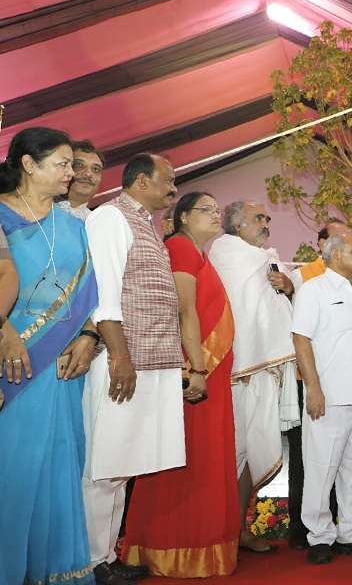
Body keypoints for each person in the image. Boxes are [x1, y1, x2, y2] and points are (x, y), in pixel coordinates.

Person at [121, 192, 240, 577]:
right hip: (195, 373)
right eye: (207, 209)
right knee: (186, 464)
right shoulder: (181, 249)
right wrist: (196, 368)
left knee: (205, 461)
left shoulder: (200, 253)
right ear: (184, 217)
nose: (215, 215)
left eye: (216, 209)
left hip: (210, 373)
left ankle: (202, 545)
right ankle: (172, 548)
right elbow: (183, 311)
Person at [0, 127, 100, 585]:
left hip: (63, 365)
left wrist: (89, 336)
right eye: (63, 163)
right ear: (28, 164)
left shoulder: (76, 225)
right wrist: (3, 331)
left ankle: (55, 571)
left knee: (61, 465)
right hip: (13, 358)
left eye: (72, 164)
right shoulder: (1, 215)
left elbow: (88, 295)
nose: (71, 173)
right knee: (14, 469)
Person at [82, 153, 185, 585]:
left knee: (123, 464)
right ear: (142, 181)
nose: (173, 190)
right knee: (104, 465)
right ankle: (90, 562)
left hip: (151, 360)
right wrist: (120, 357)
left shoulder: (146, 222)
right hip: (121, 360)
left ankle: (107, 554)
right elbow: (104, 293)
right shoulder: (111, 217)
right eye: (168, 181)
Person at [209, 199, 302, 555]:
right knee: (229, 452)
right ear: (235, 226)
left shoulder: (270, 259)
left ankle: (239, 527)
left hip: (266, 371)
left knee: (252, 451)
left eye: (267, 217)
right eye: (257, 218)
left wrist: (289, 287)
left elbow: (280, 308)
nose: (265, 223)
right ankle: (219, 531)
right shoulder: (224, 254)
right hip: (233, 373)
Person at [292, 231, 352, 564]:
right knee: (321, 468)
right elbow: (301, 340)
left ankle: (351, 534)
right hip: (329, 398)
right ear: (333, 255)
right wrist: (313, 388)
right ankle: (319, 537)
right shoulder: (313, 290)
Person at [285, 219, 350, 550]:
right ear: (323, 245)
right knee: (307, 457)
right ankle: (302, 527)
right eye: (338, 239)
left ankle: (339, 525)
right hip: (311, 383)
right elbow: (299, 334)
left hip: (346, 387)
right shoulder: (303, 277)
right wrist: (312, 385)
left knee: (345, 459)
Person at [57, 139, 104, 220]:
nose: (88, 174)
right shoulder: (37, 208)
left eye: (96, 169)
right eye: (78, 165)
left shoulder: (94, 224)